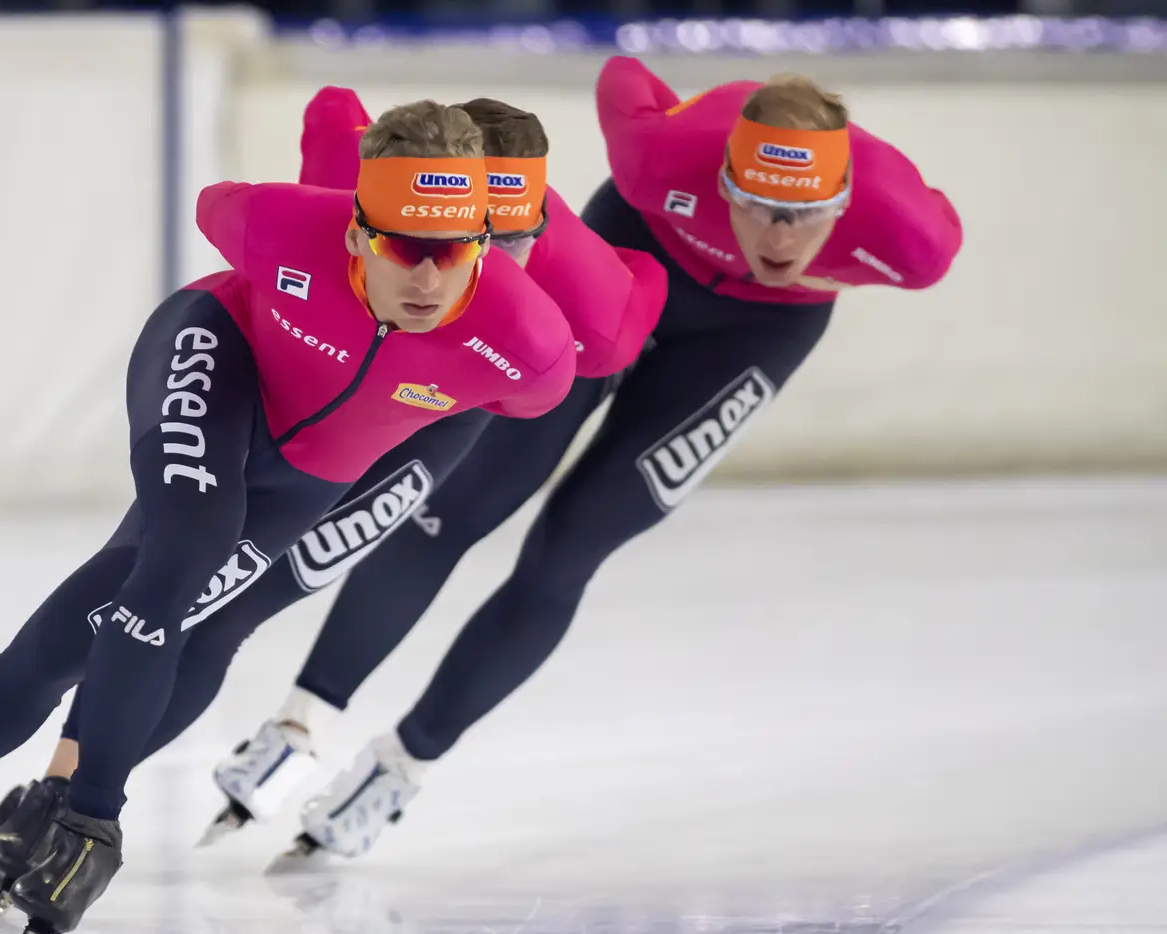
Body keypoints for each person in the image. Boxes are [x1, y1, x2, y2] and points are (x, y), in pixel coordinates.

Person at [0, 100, 582, 934]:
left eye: (458, 252)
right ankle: (89, 820)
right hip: (216, 362)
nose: (427, 277)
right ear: (355, 226)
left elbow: (600, 327)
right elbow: (237, 192)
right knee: (183, 551)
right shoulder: (282, 224)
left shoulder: (529, 349)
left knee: (97, 640)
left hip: (313, 479)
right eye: (404, 247)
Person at [0, 88, 670, 907]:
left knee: (226, 615)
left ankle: (60, 804)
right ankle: (50, 800)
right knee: (169, 598)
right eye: (430, 239)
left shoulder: (556, 279)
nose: (476, 266)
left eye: (514, 241)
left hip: (430, 427)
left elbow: (627, 316)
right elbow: (318, 156)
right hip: (299, 409)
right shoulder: (368, 198)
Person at [213, 58, 966, 865]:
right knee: (450, 506)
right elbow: (623, 77)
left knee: (572, 547)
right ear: (720, 178)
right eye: (753, 204)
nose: (777, 237)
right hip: (619, 273)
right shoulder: (659, 153)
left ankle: (402, 767)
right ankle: (298, 723)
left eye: (804, 214)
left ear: (847, 204)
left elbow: (931, 223)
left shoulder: (911, 239)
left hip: (755, 338)